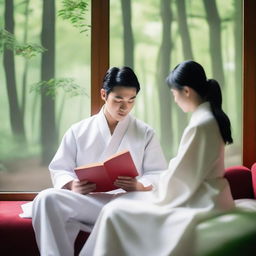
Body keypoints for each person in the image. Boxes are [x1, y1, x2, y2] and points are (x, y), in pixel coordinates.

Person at [80, 60, 235, 256]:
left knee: (114, 211)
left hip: (201, 198)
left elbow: (182, 177)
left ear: (186, 91)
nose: (175, 100)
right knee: (116, 208)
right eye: (118, 100)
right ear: (104, 95)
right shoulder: (207, 119)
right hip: (203, 192)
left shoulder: (201, 124)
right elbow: (185, 171)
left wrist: (152, 189)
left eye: (174, 94)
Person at [31, 66, 167, 256]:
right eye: (118, 99)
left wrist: (139, 185)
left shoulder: (145, 132)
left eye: (131, 100)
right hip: (91, 201)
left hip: (128, 201)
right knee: (46, 198)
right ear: (104, 94)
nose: (124, 106)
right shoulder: (78, 130)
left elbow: (158, 173)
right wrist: (72, 185)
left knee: (142, 202)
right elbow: (60, 168)